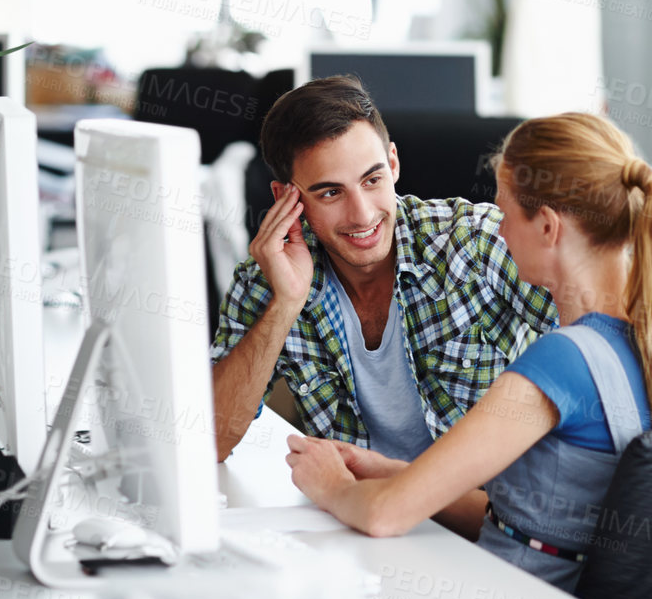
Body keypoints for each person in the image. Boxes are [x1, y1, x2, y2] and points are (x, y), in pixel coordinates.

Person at [284, 111, 652, 593]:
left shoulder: (560, 363)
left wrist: (330, 486)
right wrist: (399, 475)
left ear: (547, 227)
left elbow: (384, 517)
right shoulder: (632, 345)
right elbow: (528, 520)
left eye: (504, 214)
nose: (497, 232)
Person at [211, 75, 557, 463]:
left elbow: (600, 353)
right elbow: (211, 441)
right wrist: (285, 304)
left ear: (393, 163)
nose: (362, 215)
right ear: (285, 198)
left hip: (482, 514)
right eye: (331, 192)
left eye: (372, 179)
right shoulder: (266, 280)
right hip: (356, 514)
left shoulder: (477, 242)